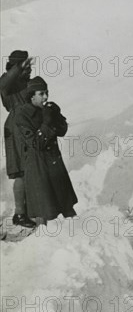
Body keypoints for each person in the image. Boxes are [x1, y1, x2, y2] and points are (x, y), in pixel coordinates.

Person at [14, 77, 78, 225]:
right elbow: (37, 143)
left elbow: (62, 131)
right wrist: (47, 121)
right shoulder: (22, 115)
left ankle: (77, 234)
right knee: (44, 209)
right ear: (32, 96)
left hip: (54, 163)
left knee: (66, 205)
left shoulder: (47, 109)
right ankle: (43, 239)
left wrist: (57, 115)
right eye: (41, 93)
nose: (46, 97)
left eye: (46, 93)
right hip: (38, 167)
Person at [0, 50, 35, 228]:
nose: (29, 69)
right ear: (16, 66)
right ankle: (20, 214)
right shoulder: (9, 83)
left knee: (29, 169)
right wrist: (17, 68)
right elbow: (3, 83)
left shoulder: (23, 82)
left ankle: (27, 210)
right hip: (16, 129)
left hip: (26, 127)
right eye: (26, 66)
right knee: (21, 171)